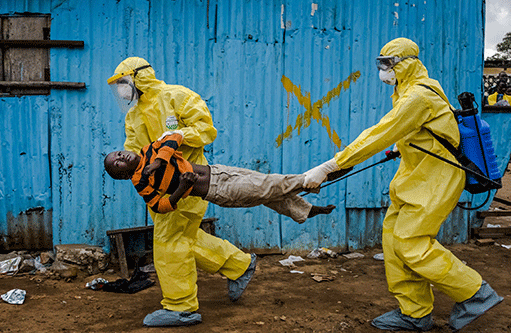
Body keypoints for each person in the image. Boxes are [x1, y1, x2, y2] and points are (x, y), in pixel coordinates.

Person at [302, 38, 503, 331]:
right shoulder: (410, 90)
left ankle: (475, 293)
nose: (383, 70)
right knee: (395, 241)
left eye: (388, 64)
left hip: (436, 178)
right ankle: (415, 312)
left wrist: (332, 165)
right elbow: (426, 127)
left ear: (405, 63)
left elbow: (379, 133)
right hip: (415, 176)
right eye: (380, 63)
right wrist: (403, 145)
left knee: (412, 243)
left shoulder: (418, 95)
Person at [107, 57, 255, 327]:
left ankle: (181, 307)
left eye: (123, 83)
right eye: (118, 86)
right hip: (160, 189)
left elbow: (206, 130)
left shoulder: (178, 96)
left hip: (189, 181)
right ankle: (240, 265)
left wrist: (174, 138)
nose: (121, 90)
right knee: (185, 239)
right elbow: (134, 150)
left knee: (168, 242)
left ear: (139, 77)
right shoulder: (133, 116)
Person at [104, 132, 338, 223]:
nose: (121, 155)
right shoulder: (141, 183)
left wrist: (158, 161)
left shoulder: (149, 151)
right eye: (117, 162)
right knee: (268, 186)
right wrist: (180, 189)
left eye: (117, 153)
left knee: (267, 194)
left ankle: (306, 210)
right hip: (218, 191)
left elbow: (174, 137)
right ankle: (320, 174)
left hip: (221, 171)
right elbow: (160, 207)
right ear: (123, 174)